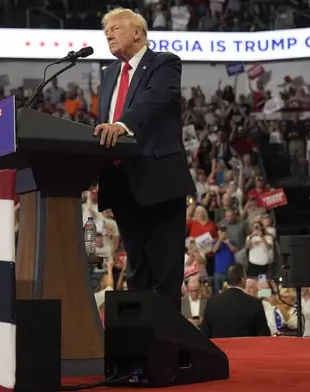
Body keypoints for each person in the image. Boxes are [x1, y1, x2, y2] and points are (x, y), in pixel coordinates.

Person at [93, 8, 195, 312]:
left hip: (159, 178)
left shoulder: (164, 63)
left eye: (114, 28)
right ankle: (142, 347)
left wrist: (122, 126)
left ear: (137, 32)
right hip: (122, 181)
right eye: (105, 31)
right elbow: (103, 120)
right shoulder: (109, 72)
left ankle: (167, 347)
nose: (108, 34)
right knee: (137, 269)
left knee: (165, 270)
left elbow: (154, 99)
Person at [200, 264, 271, 338]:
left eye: (252, 288)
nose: (249, 289)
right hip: (247, 349)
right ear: (243, 280)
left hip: (218, 349)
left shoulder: (212, 302)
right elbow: (264, 337)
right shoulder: (255, 304)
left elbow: (204, 335)